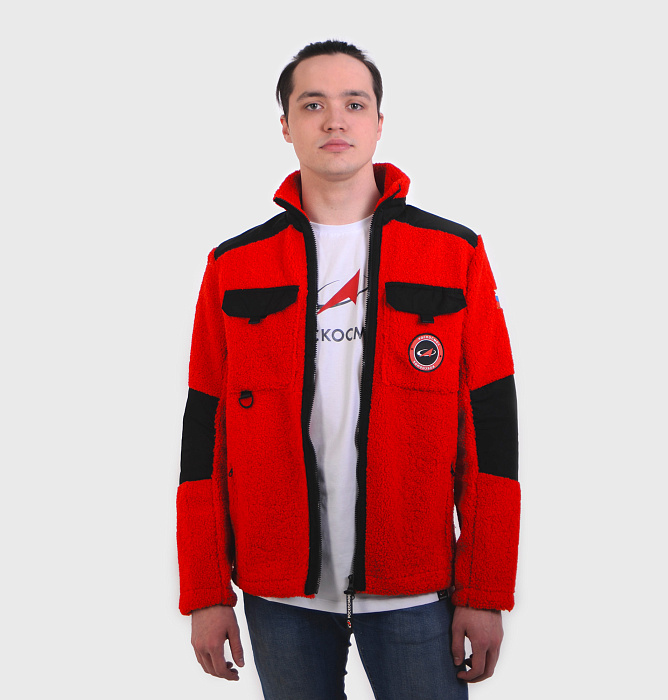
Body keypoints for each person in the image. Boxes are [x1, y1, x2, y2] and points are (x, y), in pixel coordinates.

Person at [177, 40, 520, 700]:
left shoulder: (455, 254)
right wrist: (205, 590)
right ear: (286, 125)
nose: (335, 119)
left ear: (379, 122)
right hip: (281, 594)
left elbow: (491, 435)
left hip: (416, 588)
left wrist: (485, 590)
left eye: (354, 103)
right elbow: (203, 440)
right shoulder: (233, 267)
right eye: (313, 104)